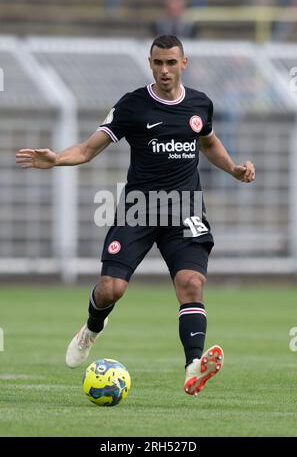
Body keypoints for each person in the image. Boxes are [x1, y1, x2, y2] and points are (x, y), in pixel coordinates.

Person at [16, 35, 255, 396]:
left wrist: (233, 169)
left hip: (184, 210)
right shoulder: (133, 105)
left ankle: (193, 367)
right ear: (150, 63)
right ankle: (92, 328)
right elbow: (87, 148)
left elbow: (209, 142)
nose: (164, 70)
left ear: (183, 64)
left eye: (171, 63)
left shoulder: (200, 104)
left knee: (191, 285)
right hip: (139, 208)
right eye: (158, 63)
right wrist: (57, 159)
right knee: (112, 289)